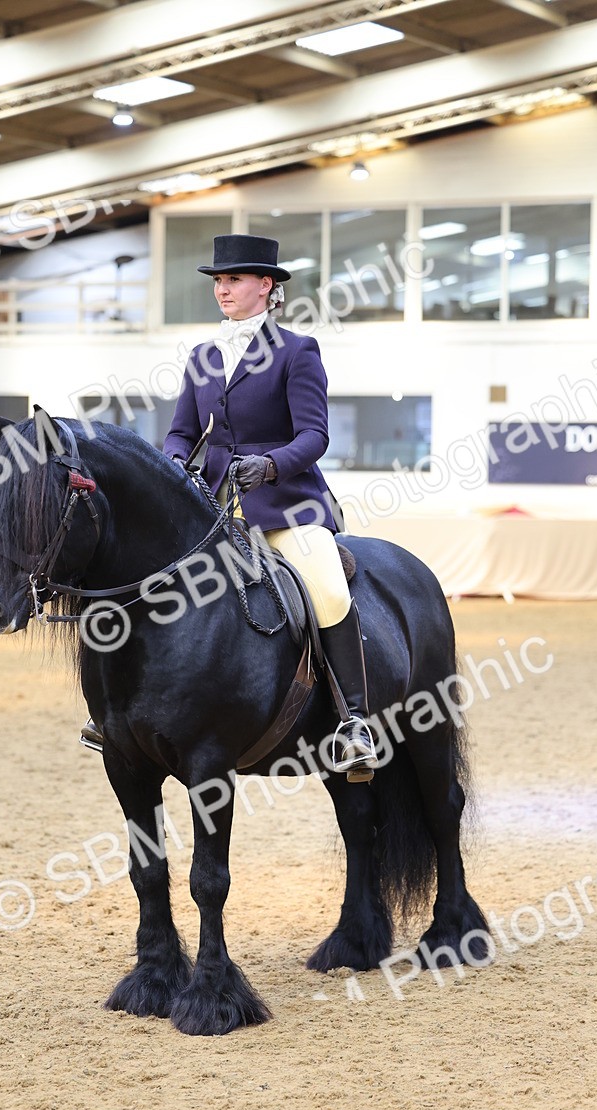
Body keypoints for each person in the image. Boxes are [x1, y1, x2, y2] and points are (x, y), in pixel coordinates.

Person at [160, 234, 378, 775]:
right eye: (218, 281)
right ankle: (129, 710)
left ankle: (354, 720)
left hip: (285, 506)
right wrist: (174, 464)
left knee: (328, 589)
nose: (222, 290)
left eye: (233, 280)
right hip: (212, 507)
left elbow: (315, 435)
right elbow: (181, 431)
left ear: (266, 285)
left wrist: (271, 465)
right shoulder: (203, 357)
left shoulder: (297, 351)